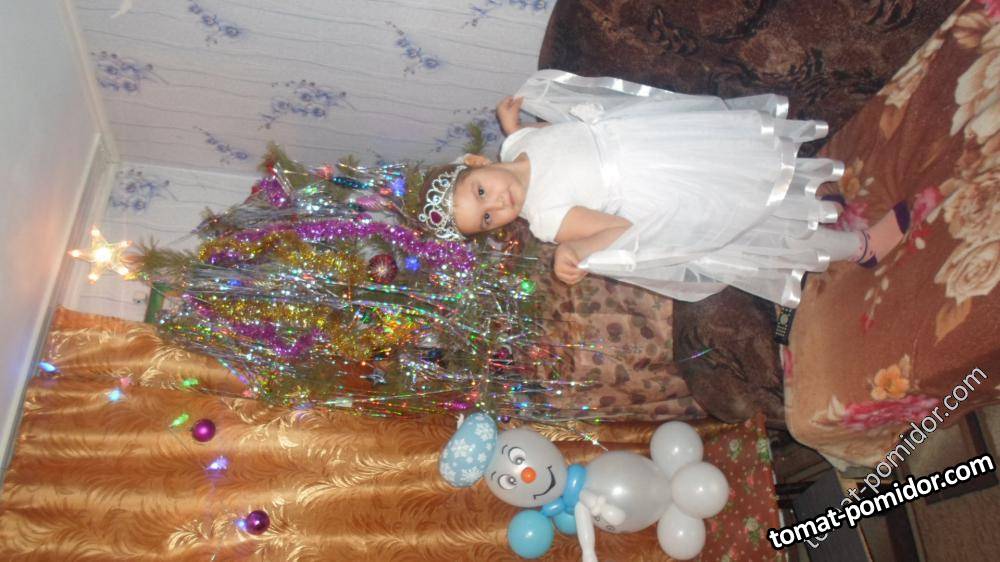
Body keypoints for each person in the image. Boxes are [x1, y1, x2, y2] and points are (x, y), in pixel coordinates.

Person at [417, 70, 910, 307]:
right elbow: (619, 228)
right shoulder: (546, 217)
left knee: (745, 170)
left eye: (480, 192)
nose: (497, 204)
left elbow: (550, 146)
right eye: (486, 219)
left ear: (478, 163)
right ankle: (860, 246)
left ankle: (812, 206)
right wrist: (578, 249)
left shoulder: (517, 143)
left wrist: (513, 127)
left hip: (662, 143)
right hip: (666, 195)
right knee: (745, 222)